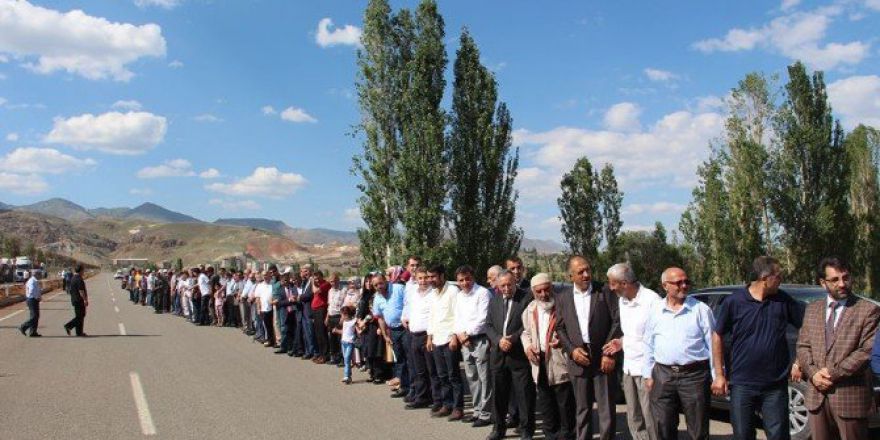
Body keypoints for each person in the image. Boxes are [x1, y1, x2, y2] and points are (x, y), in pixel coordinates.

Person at [711, 256, 804, 440]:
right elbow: (717, 335)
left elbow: (807, 327)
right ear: (765, 278)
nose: (781, 280)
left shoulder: (783, 300)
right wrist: (720, 375)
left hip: (774, 385)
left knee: (779, 435)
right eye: (778, 276)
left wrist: (799, 361)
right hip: (742, 384)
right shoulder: (734, 302)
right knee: (743, 434)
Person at [796, 257, 880, 440]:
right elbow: (803, 346)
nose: (842, 284)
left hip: (850, 399)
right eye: (835, 280)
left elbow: (866, 351)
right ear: (823, 282)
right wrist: (813, 373)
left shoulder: (868, 310)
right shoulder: (812, 309)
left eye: (846, 277)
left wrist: (831, 374)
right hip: (817, 397)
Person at [554, 256, 621, 440]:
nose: (586, 275)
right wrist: (572, 350)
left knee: (606, 409)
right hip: (578, 359)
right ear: (570, 276)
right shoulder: (563, 297)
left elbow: (617, 321)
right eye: (580, 272)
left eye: (588, 270)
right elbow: (560, 327)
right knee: (582, 409)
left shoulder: (604, 291)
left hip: (603, 358)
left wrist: (609, 353)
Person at [643, 267, 714, 440]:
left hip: (694, 376)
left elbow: (713, 344)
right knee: (663, 426)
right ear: (665, 286)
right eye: (678, 283)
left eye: (686, 282)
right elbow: (648, 344)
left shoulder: (701, 310)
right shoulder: (655, 310)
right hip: (663, 375)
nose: (684, 286)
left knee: (698, 430)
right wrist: (648, 374)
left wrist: (717, 375)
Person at [600, 263, 660, 440]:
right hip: (629, 368)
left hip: (647, 370)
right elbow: (633, 333)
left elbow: (657, 336)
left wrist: (651, 373)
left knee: (651, 417)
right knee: (634, 416)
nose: (611, 288)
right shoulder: (622, 300)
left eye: (613, 283)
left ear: (624, 283)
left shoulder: (652, 301)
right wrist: (621, 342)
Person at [521, 273, 575, 440]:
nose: (544, 294)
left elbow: (574, 330)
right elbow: (525, 333)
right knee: (545, 402)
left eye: (546, 289)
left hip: (559, 360)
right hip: (539, 360)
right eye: (539, 291)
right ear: (533, 292)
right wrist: (528, 347)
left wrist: (563, 341)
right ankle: (550, 434)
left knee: (565, 403)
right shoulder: (530, 309)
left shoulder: (563, 305)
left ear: (551, 288)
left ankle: (567, 435)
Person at [485, 269, 535, 440]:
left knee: (524, 395)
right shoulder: (494, 300)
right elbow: (488, 325)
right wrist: (499, 340)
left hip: (519, 355)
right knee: (499, 395)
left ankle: (527, 430)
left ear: (515, 282)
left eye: (509, 285)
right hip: (498, 355)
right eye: (503, 286)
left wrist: (513, 338)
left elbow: (528, 324)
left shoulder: (526, 298)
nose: (506, 288)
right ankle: (498, 429)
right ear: (498, 286)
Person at [452, 265, 493, 427]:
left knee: (484, 378)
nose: (464, 283)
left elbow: (483, 319)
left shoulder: (482, 293)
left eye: (467, 279)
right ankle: (477, 411)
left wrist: (466, 334)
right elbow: (456, 318)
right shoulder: (459, 296)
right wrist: (460, 335)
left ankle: (486, 414)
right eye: (461, 280)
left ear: (473, 277)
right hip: (465, 341)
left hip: (480, 339)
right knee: (472, 377)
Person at [426, 264, 465, 421]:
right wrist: (429, 337)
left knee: (453, 375)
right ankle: (447, 404)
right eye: (429, 277)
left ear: (442, 276)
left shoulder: (453, 291)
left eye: (433, 277)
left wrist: (455, 336)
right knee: (442, 375)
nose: (430, 280)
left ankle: (458, 408)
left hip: (449, 339)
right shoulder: (433, 293)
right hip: (437, 339)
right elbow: (432, 317)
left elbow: (458, 315)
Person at [402, 265, 441, 410]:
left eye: (425, 278)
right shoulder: (414, 293)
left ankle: (437, 399)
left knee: (432, 370)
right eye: (420, 278)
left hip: (427, 335)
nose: (423, 281)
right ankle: (422, 397)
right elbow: (409, 309)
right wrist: (404, 318)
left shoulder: (434, 294)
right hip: (414, 335)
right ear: (416, 279)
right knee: (419, 370)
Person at [376, 268, 409, 398]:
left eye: (380, 283)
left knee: (409, 359)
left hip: (406, 329)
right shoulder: (377, 298)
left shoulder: (398, 289)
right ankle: (404, 387)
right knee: (399, 359)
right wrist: (385, 335)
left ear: (385, 281)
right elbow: (380, 318)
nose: (379, 286)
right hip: (393, 331)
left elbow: (409, 304)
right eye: (376, 285)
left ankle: (413, 388)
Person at [311, 270, 332, 364]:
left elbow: (315, 291)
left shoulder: (325, 284)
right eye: (315, 278)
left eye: (318, 277)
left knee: (322, 333)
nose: (316, 279)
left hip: (321, 310)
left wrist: (312, 282)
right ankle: (321, 354)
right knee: (318, 334)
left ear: (321, 276)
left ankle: (325, 355)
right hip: (316, 310)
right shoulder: (318, 284)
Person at [64, 265, 89, 337]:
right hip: (79, 300)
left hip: (75, 299)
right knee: (80, 316)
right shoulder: (79, 279)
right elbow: (81, 291)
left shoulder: (73, 278)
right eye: (83, 270)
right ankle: (68, 326)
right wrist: (85, 300)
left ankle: (79, 332)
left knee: (79, 316)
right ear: (80, 271)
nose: (83, 272)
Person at [326, 273, 345, 365]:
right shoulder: (330, 291)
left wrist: (342, 317)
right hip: (331, 316)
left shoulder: (343, 290)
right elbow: (329, 305)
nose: (332, 283)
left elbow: (344, 305)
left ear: (338, 280)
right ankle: (334, 357)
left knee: (339, 338)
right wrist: (327, 317)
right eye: (331, 282)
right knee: (332, 338)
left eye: (334, 281)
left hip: (339, 316)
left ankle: (342, 358)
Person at [335, 305, 357, 384]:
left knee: (347, 359)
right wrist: (337, 330)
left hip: (350, 343)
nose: (342, 317)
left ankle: (346, 376)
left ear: (347, 314)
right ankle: (349, 377)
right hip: (343, 342)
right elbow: (343, 332)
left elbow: (358, 329)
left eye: (343, 315)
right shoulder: (344, 322)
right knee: (346, 360)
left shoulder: (353, 321)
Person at [255, 270, 275, 348]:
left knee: (274, 325)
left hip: (273, 307)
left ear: (269, 275)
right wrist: (258, 308)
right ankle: (269, 340)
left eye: (266, 275)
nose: (265, 276)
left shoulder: (273, 284)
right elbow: (257, 298)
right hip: (264, 308)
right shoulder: (260, 285)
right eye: (263, 275)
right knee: (267, 325)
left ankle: (274, 340)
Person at [19, 271, 42, 337]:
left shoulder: (34, 280)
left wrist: (38, 296)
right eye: (40, 274)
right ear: (36, 274)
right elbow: (32, 291)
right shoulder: (32, 281)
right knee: (35, 316)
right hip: (32, 299)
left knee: (35, 316)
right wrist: (37, 297)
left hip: (33, 299)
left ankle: (33, 332)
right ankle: (23, 327)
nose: (41, 276)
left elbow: (36, 290)